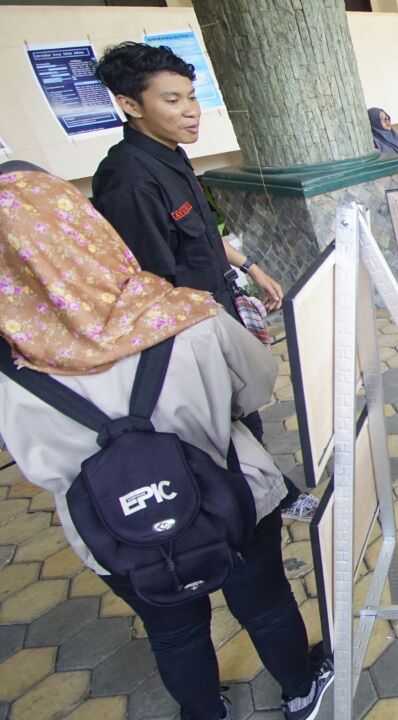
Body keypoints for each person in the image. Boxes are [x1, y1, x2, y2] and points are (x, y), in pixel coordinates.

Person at [0, 165, 334, 720]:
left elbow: (37, 466)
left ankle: (204, 713)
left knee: (173, 632)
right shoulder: (183, 315)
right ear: (86, 230)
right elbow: (255, 386)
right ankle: (300, 691)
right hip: (231, 496)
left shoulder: (10, 373)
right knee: (266, 604)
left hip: (113, 530)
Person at [90, 41, 287, 465]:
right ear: (130, 104)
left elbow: (198, 235)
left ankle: (269, 486)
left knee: (244, 409)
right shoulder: (127, 179)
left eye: (192, 97)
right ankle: (252, 502)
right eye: (172, 100)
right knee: (221, 424)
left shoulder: (171, 156)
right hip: (189, 335)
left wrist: (253, 268)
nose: (191, 111)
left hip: (218, 308)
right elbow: (152, 285)